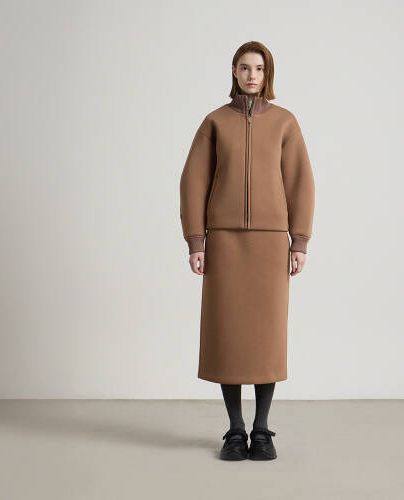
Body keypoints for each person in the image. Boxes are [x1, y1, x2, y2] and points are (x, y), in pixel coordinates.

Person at [179, 41, 315, 461]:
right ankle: (235, 430)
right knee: (229, 336)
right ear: (234, 72)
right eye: (244, 67)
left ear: (266, 73)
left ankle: (262, 429)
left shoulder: (285, 122)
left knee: (265, 338)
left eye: (258, 68)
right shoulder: (215, 122)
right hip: (224, 242)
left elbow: (300, 181)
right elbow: (193, 181)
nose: (251, 75)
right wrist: (196, 240)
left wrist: (299, 241)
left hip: (271, 244)